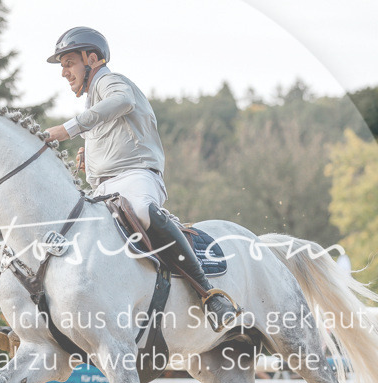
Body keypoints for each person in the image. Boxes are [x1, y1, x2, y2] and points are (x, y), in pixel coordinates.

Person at [42, 27, 237, 329]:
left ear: (92, 58)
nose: (64, 73)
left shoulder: (110, 80)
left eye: (68, 63)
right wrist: (89, 157)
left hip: (136, 178)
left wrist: (67, 130)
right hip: (103, 188)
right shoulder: (93, 97)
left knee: (145, 212)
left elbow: (122, 102)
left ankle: (209, 294)